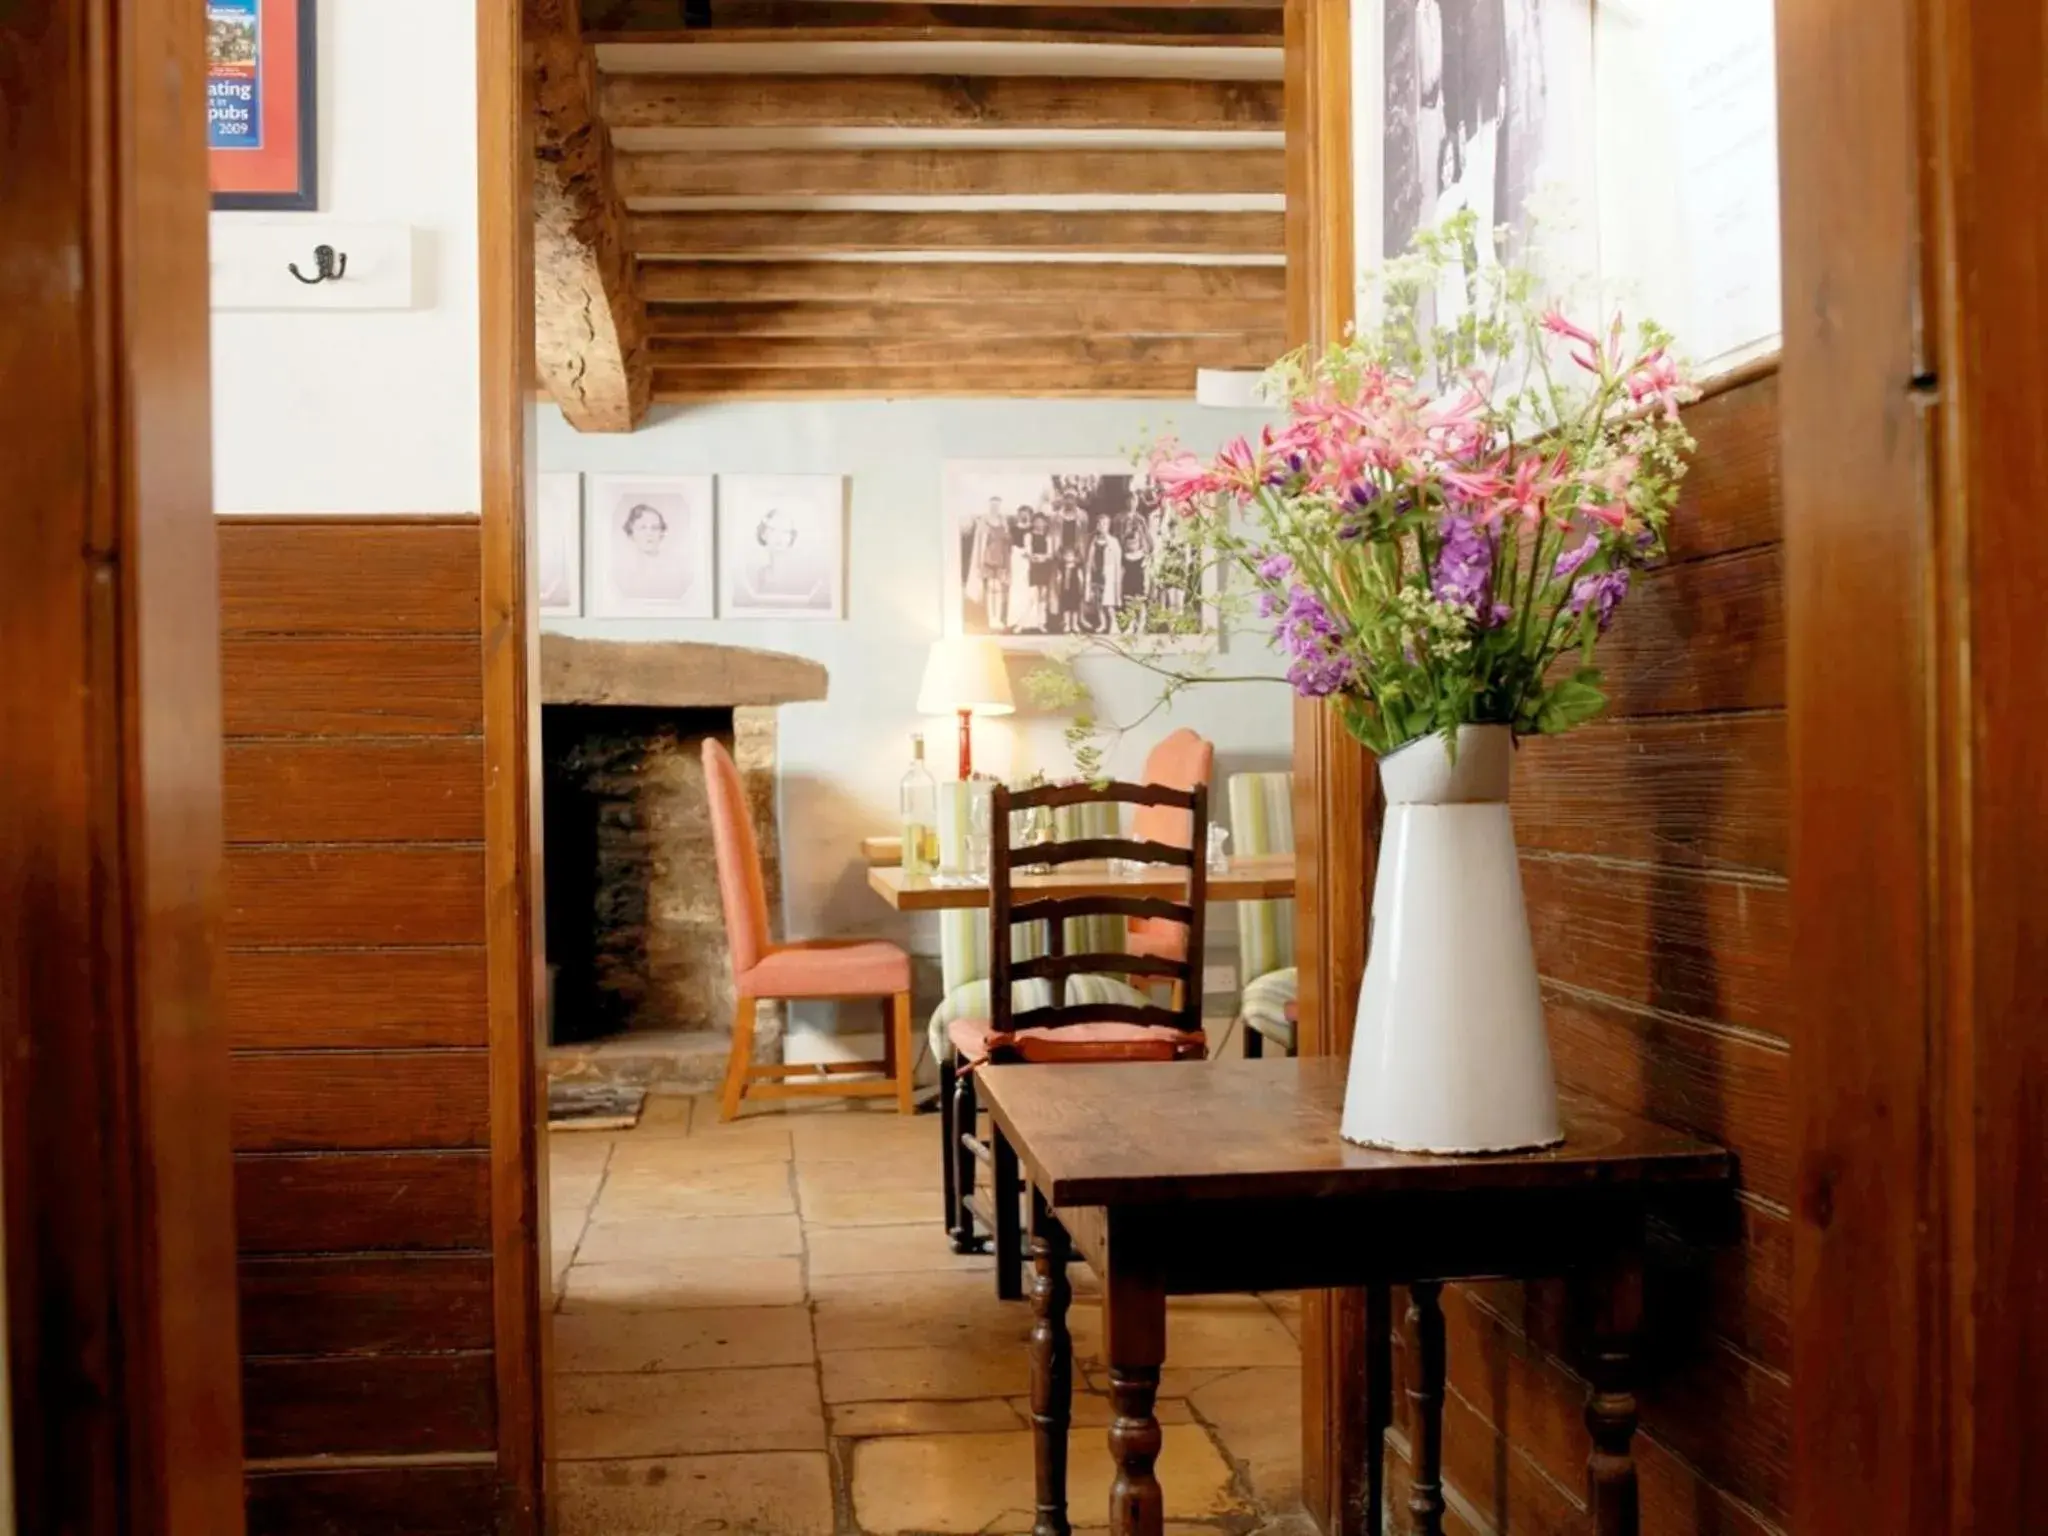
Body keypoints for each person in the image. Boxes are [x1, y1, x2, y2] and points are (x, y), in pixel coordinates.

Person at [611, 501, 691, 603]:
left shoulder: (676, 571)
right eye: (642, 528)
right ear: (630, 533)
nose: (649, 533)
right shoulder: (621, 572)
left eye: (655, 528)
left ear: (662, 533)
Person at [971, 496, 1014, 631]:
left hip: (1001, 558)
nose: (995, 507)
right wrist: (979, 562)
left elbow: (1007, 541)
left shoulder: (1003, 521)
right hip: (989, 558)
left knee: (1000, 590)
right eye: (992, 505)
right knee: (991, 589)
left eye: (997, 504)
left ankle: (999, 618)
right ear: (989, 505)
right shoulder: (984, 522)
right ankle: (991, 618)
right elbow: (980, 543)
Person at [1116, 501, 1154, 623]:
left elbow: (1146, 573)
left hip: (1139, 583)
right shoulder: (1125, 557)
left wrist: (1147, 586)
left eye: (1134, 543)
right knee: (1130, 604)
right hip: (1128, 583)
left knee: (1140, 603)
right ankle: (1132, 623)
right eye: (1129, 543)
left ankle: (1141, 623)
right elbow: (1122, 573)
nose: (1132, 545)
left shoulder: (1142, 555)